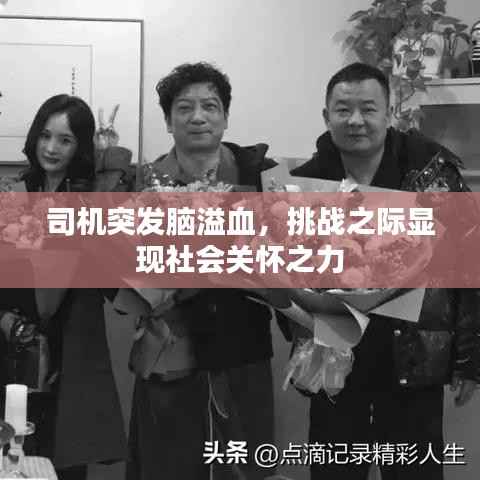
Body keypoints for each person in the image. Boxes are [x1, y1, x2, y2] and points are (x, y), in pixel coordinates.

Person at [291, 62, 480, 480]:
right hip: (335, 361)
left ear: (389, 113)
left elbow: (469, 264)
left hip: (414, 357)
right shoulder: (305, 183)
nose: (355, 120)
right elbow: (287, 276)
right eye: (343, 109)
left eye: (368, 108)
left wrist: (470, 359)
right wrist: (302, 319)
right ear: (326, 116)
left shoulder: (431, 175)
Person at [126, 62, 284, 480]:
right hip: (170, 352)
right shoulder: (143, 185)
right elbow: (121, 272)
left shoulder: (262, 175)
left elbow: (294, 258)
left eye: (210, 106)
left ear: (226, 117)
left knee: (245, 468)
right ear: (168, 121)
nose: (198, 117)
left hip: (243, 352)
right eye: (184, 108)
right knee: (168, 468)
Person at [1, 94, 127, 480]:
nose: (51, 148)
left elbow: (114, 275)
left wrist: (109, 162)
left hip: (72, 347)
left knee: (65, 457)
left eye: (65, 139)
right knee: (13, 455)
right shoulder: (12, 193)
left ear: (81, 146)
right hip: (12, 343)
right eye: (45, 135)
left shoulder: (91, 199)